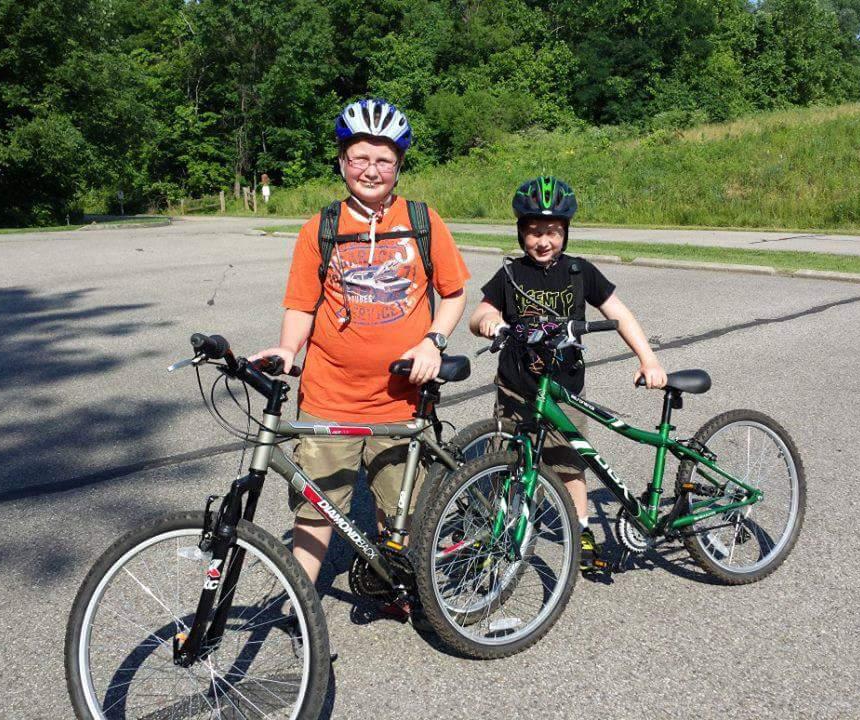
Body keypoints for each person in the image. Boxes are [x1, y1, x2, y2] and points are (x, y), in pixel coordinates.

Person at [251, 99, 470, 590]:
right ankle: (300, 608)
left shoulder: (423, 220)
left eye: (383, 160)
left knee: (400, 514)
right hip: (329, 396)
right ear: (342, 162)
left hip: (400, 397)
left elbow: (454, 294)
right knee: (315, 512)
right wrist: (288, 350)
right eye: (360, 158)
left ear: (399, 166)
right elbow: (302, 305)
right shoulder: (321, 228)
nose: (371, 170)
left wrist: (434, 342)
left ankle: (401, 586)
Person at [468, 176, 667, 572]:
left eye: (553, 232)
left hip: (563, 391)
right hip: (516, 389)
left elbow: (619, 314)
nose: (544, 241)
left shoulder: (580, 272)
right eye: (535, 232)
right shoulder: (511, 275)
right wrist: (489, 322)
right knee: (505, 461)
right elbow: (480, 314)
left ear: (566, 232)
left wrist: (648, 360)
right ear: (522, 232)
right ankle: (499, 525)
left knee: (570, 466)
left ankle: (581, 528)